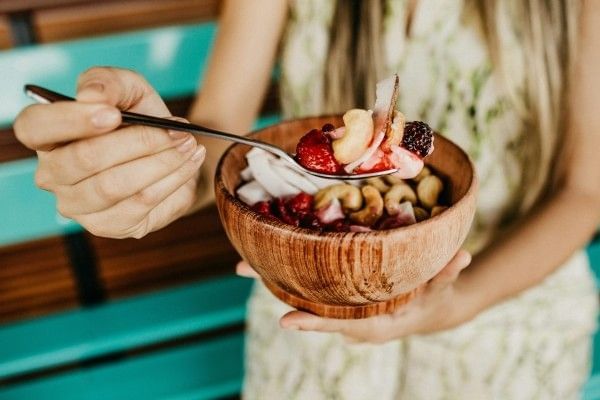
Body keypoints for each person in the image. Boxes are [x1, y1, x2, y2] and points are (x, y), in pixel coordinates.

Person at [13, 0, 600, 398]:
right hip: (312, 294)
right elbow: (218, 138)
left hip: (505, 306)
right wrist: (153, 170)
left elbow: (586, 191)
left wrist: (451, 305)